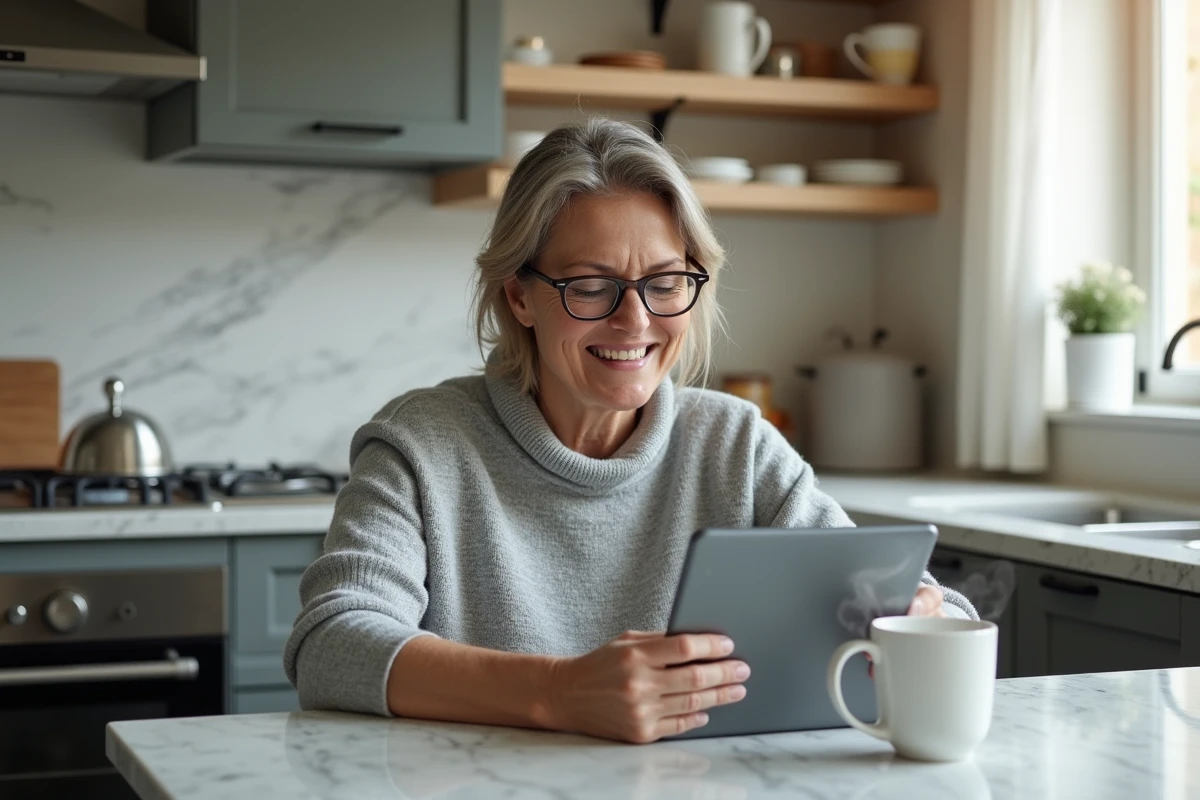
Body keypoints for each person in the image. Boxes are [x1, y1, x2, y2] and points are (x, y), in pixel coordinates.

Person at [283, 118, 977, 744]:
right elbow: (332, 644)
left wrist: (919, 613)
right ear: (519, 295)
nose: (635, 321)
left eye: (665, 283)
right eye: (591, 286)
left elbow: (930, 605)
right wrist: (559, 693)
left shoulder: (737, 445)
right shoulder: (422, 445)